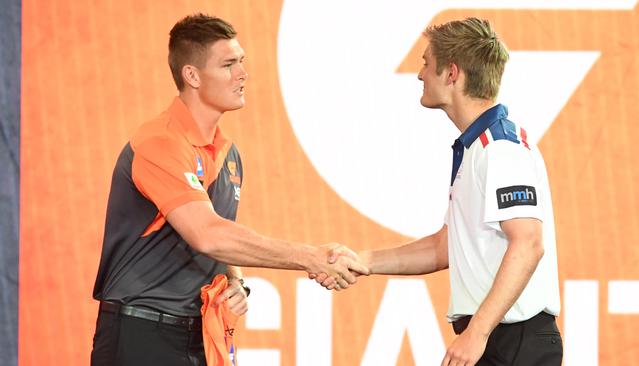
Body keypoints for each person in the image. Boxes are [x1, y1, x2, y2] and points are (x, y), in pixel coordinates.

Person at [90, 14, 367, 366]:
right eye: (228, 64)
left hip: (200, 335)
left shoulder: (228, 154)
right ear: (192, 75)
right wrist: (310, 257)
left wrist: (236, 281)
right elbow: (207, 235)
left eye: (242, 62)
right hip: (141, 338)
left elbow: (216, 243)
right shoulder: (160, 142)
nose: (242, 74)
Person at [316, 17, 562, 365]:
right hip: (499, 340)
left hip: (510, 342)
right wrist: (363, 261)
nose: (419, 75)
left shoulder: (500, 148)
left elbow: (528, 243)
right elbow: (443, 248)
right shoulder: (479, 147)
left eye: (426, 64)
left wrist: (477, 333)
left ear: (452, 74)